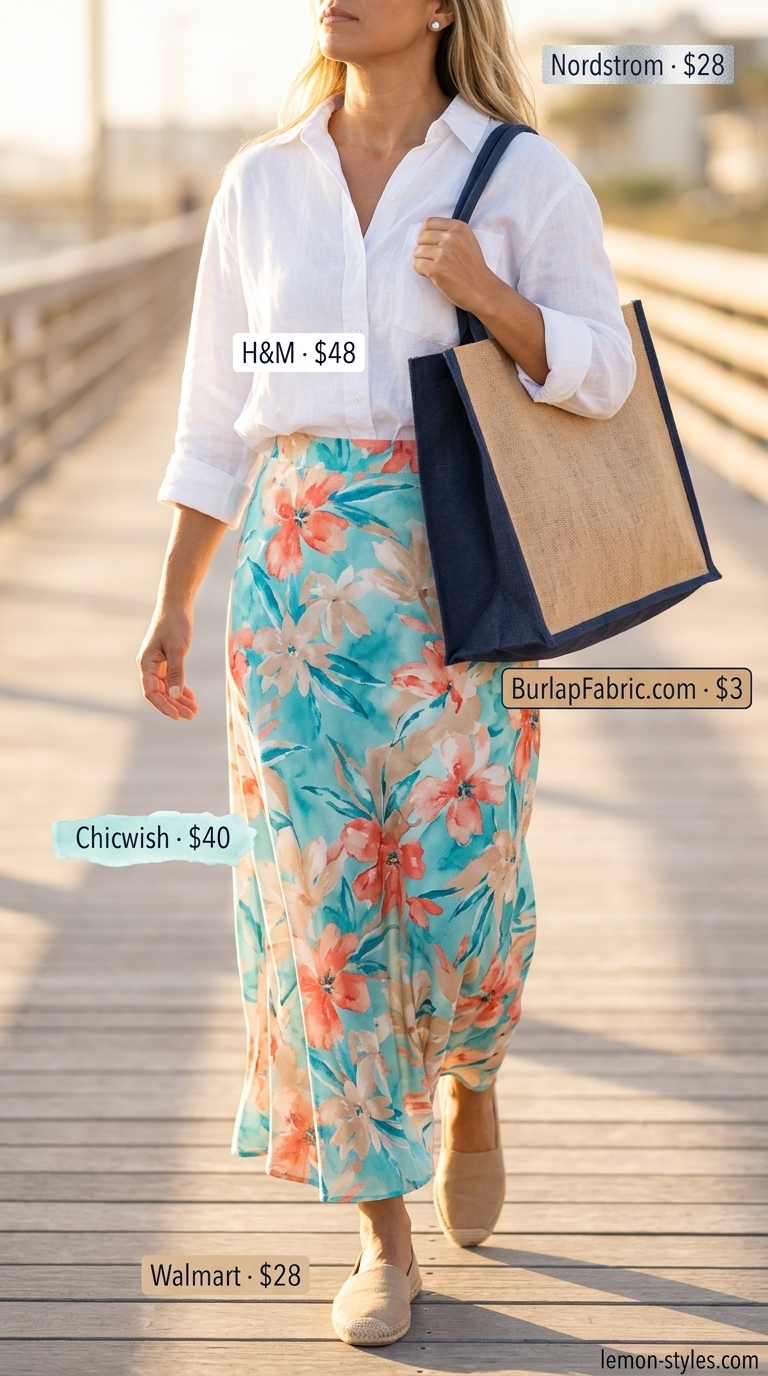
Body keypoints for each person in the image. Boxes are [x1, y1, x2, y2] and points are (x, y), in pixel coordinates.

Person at [138, 0, 635, 1348]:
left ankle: (471, 1072)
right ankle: (382, 1237)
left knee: (467, 886)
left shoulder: (520, 174)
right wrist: (173, 602)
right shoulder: (259, 184)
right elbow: (214, 415)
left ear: (439, 6)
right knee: (328, 927)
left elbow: (607, 371)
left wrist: (490, 297)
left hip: (460, 585)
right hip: (293, 598)